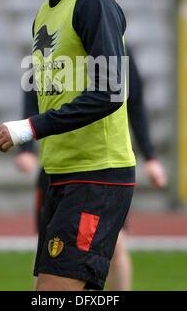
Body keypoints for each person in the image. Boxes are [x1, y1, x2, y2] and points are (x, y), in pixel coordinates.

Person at [0, 0, 136, 291]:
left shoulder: (93, 2)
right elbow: (44, 87)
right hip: (61, 173)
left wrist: (29, 128)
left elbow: (110, 92)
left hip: (98, 176)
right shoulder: (44, 13)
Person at [15, 45, 167, 291]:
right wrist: (25, 148)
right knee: (48, 255)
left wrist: (150, 156)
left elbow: (135, 103)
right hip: (56, 165)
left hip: (100, 169)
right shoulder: (54, 43)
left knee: (115, 245)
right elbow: (33, 94)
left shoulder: (114, 48)